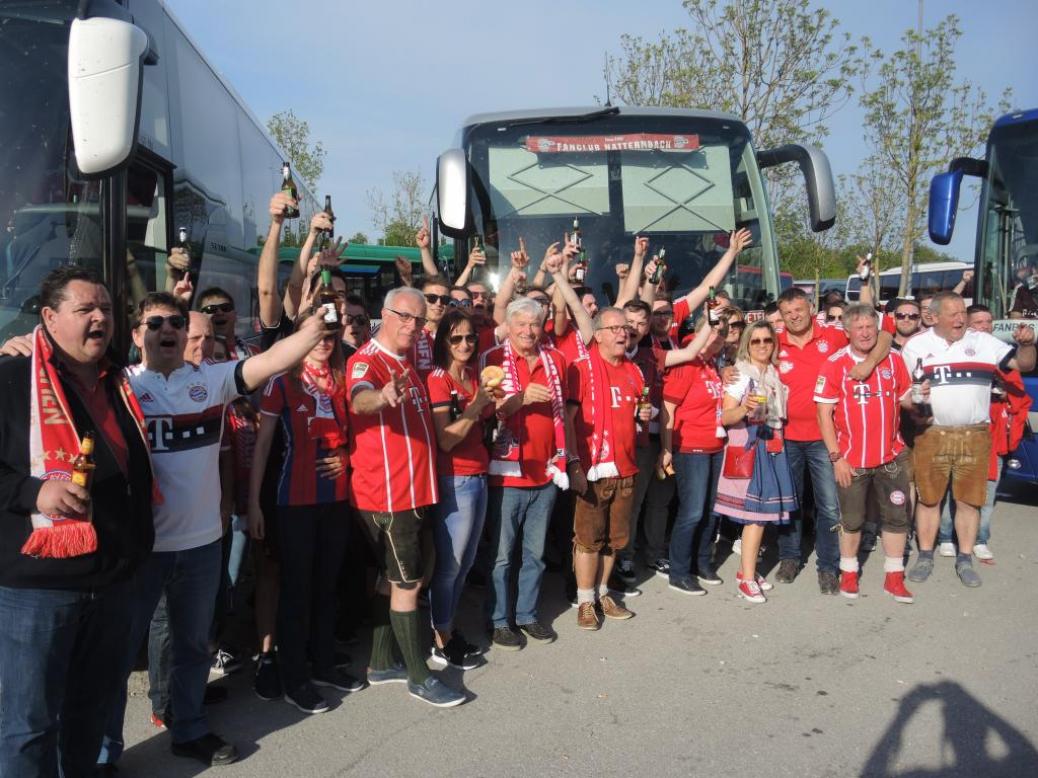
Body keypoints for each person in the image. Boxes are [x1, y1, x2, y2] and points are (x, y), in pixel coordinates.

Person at [98, 291, 328, 768]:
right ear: (138, 334)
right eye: (155, 322)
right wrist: (24, 340)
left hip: (202, 544)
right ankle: (103, 750)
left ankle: (189, 728)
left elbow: (269, 361)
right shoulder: (117, 385)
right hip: (142, 549)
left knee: (192, 646)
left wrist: (312, 331)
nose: (167, 330)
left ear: (187, 334)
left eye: (176, 323)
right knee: (116, 655)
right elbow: (56, 366)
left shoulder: (212, 379)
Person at [0, 266, 154, 777]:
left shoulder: (118, 379)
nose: (99, 319)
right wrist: (34, 491)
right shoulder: (11, 376)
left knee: (89, 716)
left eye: (106, 309)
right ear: (48, 317)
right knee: (29, 725)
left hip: (113, 581)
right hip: (39, 588)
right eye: (85, 309)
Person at [347, 286, 465, 707]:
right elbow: (360, 398)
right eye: (405, 317)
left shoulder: (407, 363)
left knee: (391, 580)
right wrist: (380, 397)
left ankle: (381, 664)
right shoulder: (366, 360)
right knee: (408, 583)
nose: (413, 326)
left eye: (419, 320)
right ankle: (419, 675)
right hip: (389, 494)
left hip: (414, 491)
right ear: (385, 314)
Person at [249, 315, 364, 715]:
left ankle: (323, 664)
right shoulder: (281, 381)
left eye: (331, 337)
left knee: (327, 584)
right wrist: (253, 504)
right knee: (297, 590)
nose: (324, 343)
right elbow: (262, 447)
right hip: (291, 500)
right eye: (317, 336)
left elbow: (358, 437)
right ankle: (295, 676)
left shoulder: (345, 381)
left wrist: (347, 457)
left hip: (335, 498)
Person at [903, 292, 1036, 588]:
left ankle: (965, 558)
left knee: (969, 501)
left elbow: (1023, 365)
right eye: (952, 314)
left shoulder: (983, 342)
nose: (960, 319)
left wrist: (1027, 345)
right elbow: (903, 395)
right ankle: (925, 555)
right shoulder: (916, 346)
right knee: (928, 500)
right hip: (931, 434)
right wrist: (914, 406)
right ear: (933, 317)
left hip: (974, 434)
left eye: (962, 312)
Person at [772, 287, 890, 594]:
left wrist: (869, 363)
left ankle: (827, 565)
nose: (794, 316)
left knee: (828, 506)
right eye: (787, 312)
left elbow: (885, 338)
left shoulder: (834, 334)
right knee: (790, 503)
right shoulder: (773, 339)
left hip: (826, 439)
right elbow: (744, 354)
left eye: (799, 309)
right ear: (780, 315)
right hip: (786, 437)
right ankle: (789, 557)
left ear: (811, 307)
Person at [481, 296, 571, 650]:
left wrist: (569, 460)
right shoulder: (492, 360)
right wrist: (519, 398)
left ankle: (527, 615)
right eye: (520, 324)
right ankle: (499, 619)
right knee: (502, 555)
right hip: (506, 474)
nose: (528, 331)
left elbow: (568, 417)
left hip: (545, 471)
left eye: (534, 324)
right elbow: (485, 413)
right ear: (509, 326)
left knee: (534, 553)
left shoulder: (557, 361)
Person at [814, 304, 915, 604]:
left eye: (870, 327)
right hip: (851, 460)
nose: (866, 332)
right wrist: (836, 457)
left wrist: (921, 402)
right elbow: (823, 413)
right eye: (858, 328)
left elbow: (905, 395)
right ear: (846, 332)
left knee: (897, 518)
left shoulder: (894, 359)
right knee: (853, 519)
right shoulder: (835, 363)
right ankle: (848, 572)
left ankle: (894, 577)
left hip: (891, 456)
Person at [566, 307, 649, 629]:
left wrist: (643, 416)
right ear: (597, 334)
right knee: (588, 539)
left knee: (615, 539)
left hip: (626, 467)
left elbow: (637, 410)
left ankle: (602, 593)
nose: (621, 333)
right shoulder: (582, 368)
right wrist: (573, 463)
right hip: (594, 468)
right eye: (613, 328)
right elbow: (569, 422)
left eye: (625, 328)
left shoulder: (634, 370)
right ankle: (585, 601)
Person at [425, 308, 495, 667]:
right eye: (456, 338)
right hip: (455, 478)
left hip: (479, 475)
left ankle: (446, 627)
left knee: (465, 563)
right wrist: (478, 405)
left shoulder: (472, 376)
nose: (465, 343)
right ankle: (441, 636)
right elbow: (446, 440)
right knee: (450, 566)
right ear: (443, 342)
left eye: (470, 337)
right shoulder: (439, 380)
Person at [936, 304, 1033, 562]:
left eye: (989, 322)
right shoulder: (956, 353)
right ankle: (946, 536)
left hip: (994, 435)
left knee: (987, 491)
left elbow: (1021, 387)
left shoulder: (1001, 355)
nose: (985, 327)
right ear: (966, 326)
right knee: (951, 489)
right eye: (978, 322)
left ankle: (980, 538)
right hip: (960, 432)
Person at [714, 320, 795, 603]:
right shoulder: (740, 374)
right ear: (747, 344)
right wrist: (744, 407)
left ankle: (746, 571)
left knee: (763, 517)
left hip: (771, 442)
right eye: (756, 341)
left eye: (767, 340)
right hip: (749, 446)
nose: (762, 345)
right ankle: (747, 579)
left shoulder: (772, 373)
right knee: (756, 518)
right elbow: (724, 417)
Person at [658, 315, 729, 595]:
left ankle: (702, 562)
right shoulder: (686, 362)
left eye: (721, 335)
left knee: (711, 511)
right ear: (700, 332)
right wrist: (666, 448)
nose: (716, 338)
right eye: (711, 332)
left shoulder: (711, 364)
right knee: (692, 511)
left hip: (715, 446)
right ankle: (679, 571)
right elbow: (668, 409)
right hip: (690, 447)